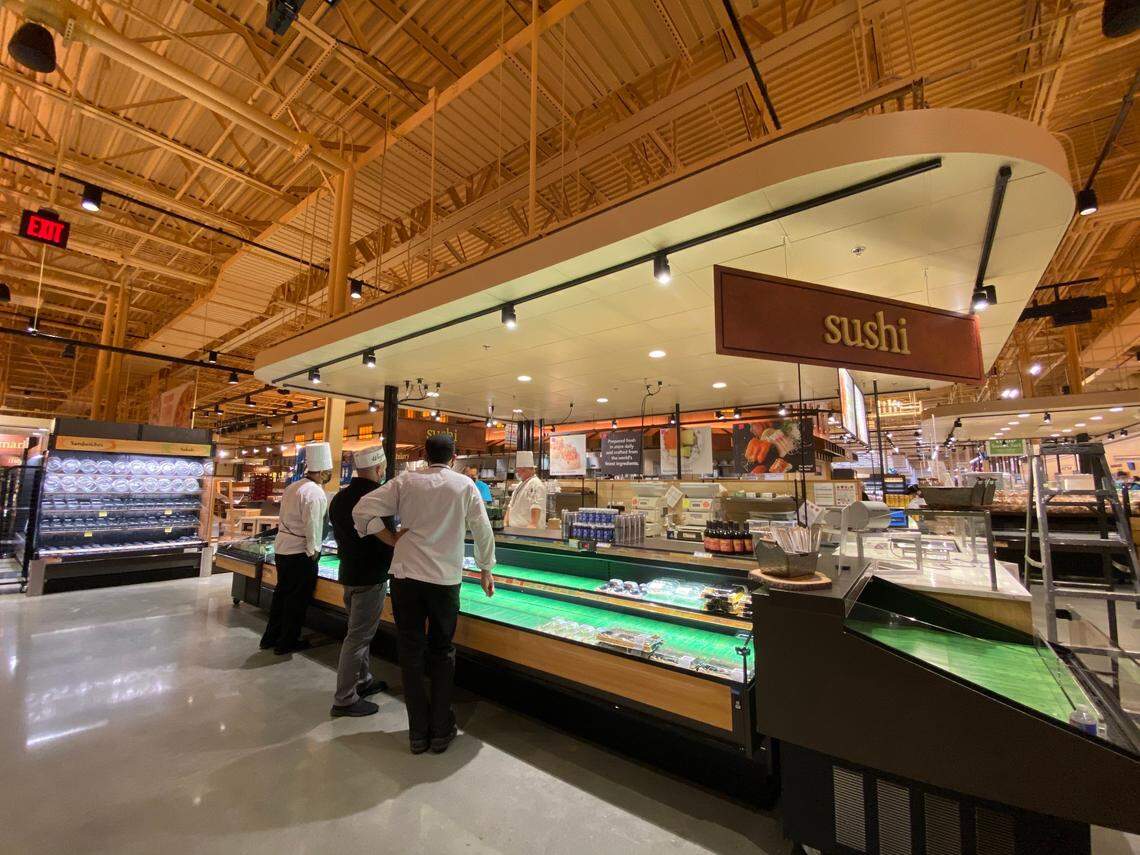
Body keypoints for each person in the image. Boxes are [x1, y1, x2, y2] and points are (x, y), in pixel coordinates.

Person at [353, 434, 496, 755]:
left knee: (410, 651)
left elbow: (362, 509)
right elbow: (482, 529)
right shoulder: (464, 485)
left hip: (405, 576)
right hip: (444, 579)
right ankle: (441, 728)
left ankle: (418, 732)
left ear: (425, 456)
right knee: (442, 651)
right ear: (454, 458)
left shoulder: (406, 481)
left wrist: (389, 537)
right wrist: (486, 568)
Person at [327, 445, 394, 718]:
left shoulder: (339, 498)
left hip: (348, 572)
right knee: (358, 637)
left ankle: (363, 681)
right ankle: (344, 699)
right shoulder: (378, 499)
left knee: (357, 631)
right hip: (371, 575)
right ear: (378, 469)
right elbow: (387, 540)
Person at [260, 442, 332, 655]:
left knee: (281, 595)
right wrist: (313, 552)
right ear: (322, 472)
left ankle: (270, 637)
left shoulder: (292, 487)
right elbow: (313, 526)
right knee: (297, 600)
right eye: (328, 471)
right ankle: (287, 642)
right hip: (300, 552)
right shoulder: (315, 493)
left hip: (282, 548)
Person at [505, 450, 546, 529]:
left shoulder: (536, 484)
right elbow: (510, 505)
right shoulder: (520, 484)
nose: (518, 473)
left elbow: (536, 506)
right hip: (514, 529)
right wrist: (505, 522)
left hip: (527, 531)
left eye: (519, 470)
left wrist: (533, 525)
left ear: (526, 470)